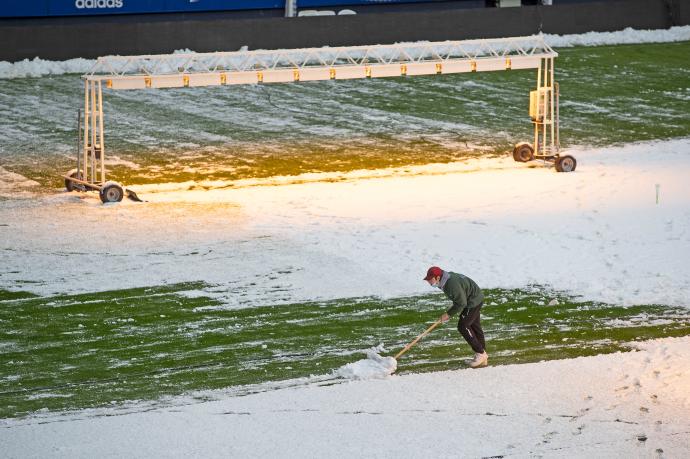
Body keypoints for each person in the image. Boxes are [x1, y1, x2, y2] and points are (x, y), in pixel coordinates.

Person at [424, 266, 488, 368]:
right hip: (474, 298)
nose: (429, 282)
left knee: (463, 326)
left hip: (473, 301)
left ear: (437, 277)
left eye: (430, 279)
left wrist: (448, 314)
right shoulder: (445, 281)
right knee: (475, 327)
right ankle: (482, 356)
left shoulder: (451, 284)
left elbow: (461, 303)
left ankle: (481, 353)